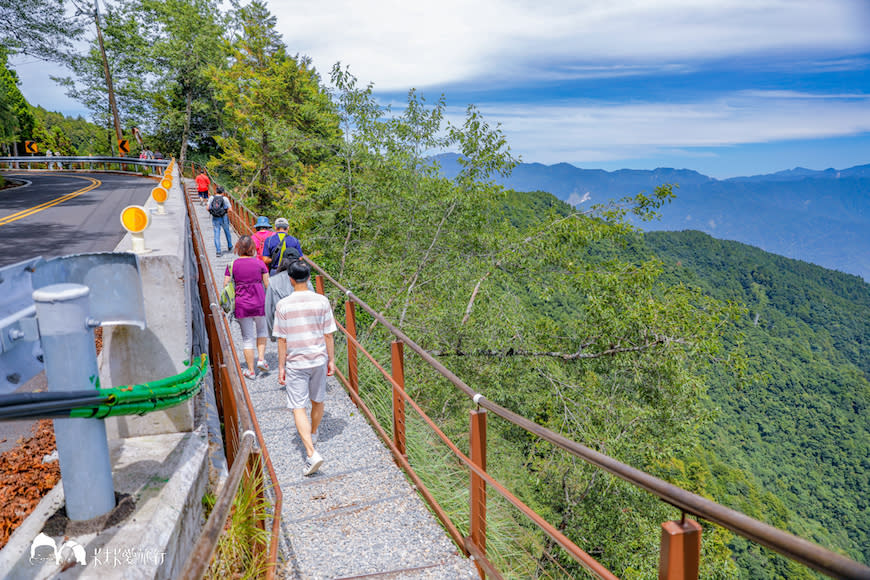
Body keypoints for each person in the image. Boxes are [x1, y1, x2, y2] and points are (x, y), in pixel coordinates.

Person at [273, 260, 336, 476]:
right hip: (318, 358)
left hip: (296, 361)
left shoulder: (283, 305)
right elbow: (328, 333)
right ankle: (314, 432)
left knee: (297, 406)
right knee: (318, 400)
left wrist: (281, 367)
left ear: (290, 279)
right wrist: (331, 360)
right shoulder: (322, 301)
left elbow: (282, 340)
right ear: (309, 278)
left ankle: (311, 453)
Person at [225, 235, 270, 379]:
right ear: (252, 248)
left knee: (247, 338)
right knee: (262, 331)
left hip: (242, 304)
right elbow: (268, 285)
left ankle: (251, 371)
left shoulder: (232, 265)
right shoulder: (260, 264)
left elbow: (226, 285)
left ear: (238, 248)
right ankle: (261, 359)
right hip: (260, 302)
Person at [209, 186, 233, 256]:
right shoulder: (225, 198)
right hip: (224, 217)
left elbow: (207, 208)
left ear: (216, 191)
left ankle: (218, 251)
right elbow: (230, 209)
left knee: (216, 233)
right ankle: (230, 246)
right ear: (223, 192)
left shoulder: (212, 198)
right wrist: (224, 212)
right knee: (227, 231)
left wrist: (213, 212)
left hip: (215, 217)